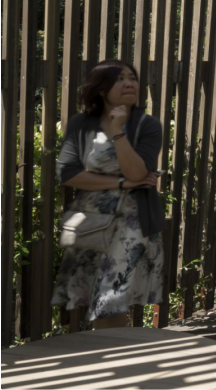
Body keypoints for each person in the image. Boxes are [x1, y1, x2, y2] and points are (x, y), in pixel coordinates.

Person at [52, 59, 166, 329]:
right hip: (91, 224)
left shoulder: (147, 126)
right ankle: (111, 356)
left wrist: (117, 133)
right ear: (102, 89)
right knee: (99, 301)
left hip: (132, 227)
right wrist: (122, 183)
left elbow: (139, 173)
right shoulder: (81, 124)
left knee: (109, 301)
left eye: (132, 78)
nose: (129, 83)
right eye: (120, 79)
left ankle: (111, 358)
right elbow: (67, 173)